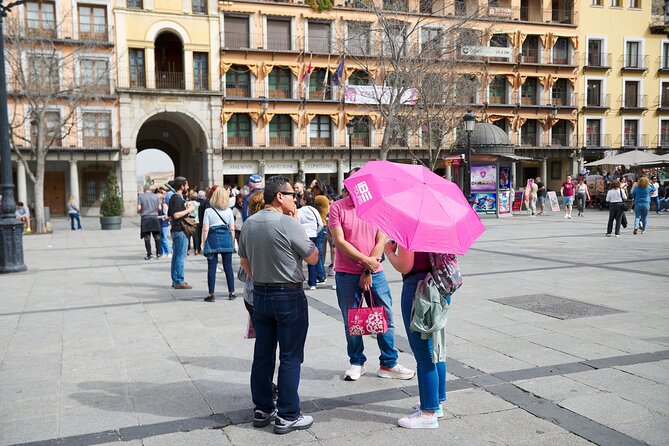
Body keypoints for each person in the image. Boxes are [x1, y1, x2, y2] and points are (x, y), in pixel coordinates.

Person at [238, 176, 319, 435]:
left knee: (263, 354)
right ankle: (288, 414)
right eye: (291, 194)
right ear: (279, 197)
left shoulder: (249, 223)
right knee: (290, 356)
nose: (295, 199)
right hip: (287, 294)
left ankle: (263, 408)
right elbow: (314, 257)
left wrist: (260, 277)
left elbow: (244, 261)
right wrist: (296, 223)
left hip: (260, 293)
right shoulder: (287, 222)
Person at [329, 170, 415, 382]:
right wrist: (366, 261)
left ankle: (388, 363)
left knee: (385, 316)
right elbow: (340, 241)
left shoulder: (378, 207)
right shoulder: (337, 207)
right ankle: (357, 361)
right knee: (352, 319)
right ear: (348, 185)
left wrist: (368, 269)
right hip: (347, 273)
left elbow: (380, 241)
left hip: (375, 273)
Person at [384, 243, 448, 429]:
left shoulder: (410, 226)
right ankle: (437, 403)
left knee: (423, 354)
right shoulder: (440, 221)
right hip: (439, 285)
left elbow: (405, 265)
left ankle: (428, 413)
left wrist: (389, 251)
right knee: (435, 348)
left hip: (418, 288)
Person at [201, 187, 236, 302]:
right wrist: (232, 241)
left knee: (211, 268)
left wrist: (204, 242)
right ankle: (231, 292)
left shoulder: (209, 211)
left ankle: (211, 294)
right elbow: (232, 229)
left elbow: (205, 229)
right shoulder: (229, 211)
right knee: (228, 267)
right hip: (226, 238)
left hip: (213, 239)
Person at [168, 176, 195, 289]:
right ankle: (179, 281)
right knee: (180, 256)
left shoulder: (176, 197)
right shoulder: (177, 198)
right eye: (186, 185)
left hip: (176, 229)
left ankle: (176, 280)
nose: (188, 187)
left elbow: (170, 216)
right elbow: (175, 215)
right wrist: (189, 210)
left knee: (176, 256)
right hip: (180, 230)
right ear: (182, 186)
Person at [297, 192, 323, 290]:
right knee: (312, 260)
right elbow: (320, 223)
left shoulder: (299, 211)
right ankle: (313, 283)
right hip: (313, 235)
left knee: (299, 258)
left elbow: (297, 222)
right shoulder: (315, 210)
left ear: (304, 200)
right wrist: (315, 231)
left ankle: (299, 280)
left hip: (303, 236)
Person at [310, 180, 331, 284]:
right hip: (321, 226)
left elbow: (307, 197)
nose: (312, 190)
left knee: (317, 251)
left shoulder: (320, 198)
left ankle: (321, 275)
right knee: (319, 251)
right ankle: (321, 274)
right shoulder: (323, 198)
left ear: (318, 189)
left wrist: (310, 186)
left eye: (314, 189)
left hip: (320, 227)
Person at [137, 185, 162, 260]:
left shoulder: (140, 196)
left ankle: (149, 254)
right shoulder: (156, 196)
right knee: (157, 237)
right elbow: (159, 208)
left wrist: (139, 211)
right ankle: (158, 254)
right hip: (154, 218)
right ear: (150, 189)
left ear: (144, 190)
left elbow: (139, 208)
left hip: (145, 218)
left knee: (147, 238)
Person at [186, 190, 201, 255]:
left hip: (188, 220)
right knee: (195, 236)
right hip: (196, 221)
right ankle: (196, 250)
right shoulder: (198, 204)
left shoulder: (187, 203)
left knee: (188, 236)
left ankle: (188, 250)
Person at [157, 189, 171, 257]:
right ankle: (162, 252)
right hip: (160, 223)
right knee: (161, 238)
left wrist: (159, 217)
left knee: (164, 238)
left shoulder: (164, 206)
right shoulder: (160, 205)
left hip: (163, 224)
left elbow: (166, 215)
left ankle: (168, 252)